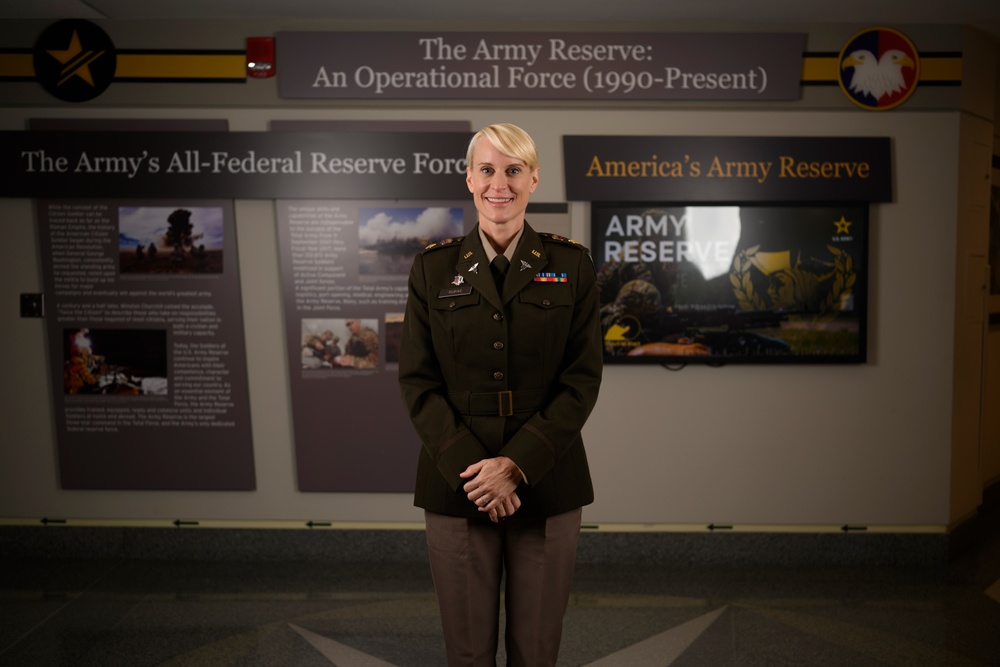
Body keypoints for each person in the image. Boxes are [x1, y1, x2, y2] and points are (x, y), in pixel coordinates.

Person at [398, 123, 603, 666]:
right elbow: (418, 382)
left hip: (546, 477)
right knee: (466, 651)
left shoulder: (571, 264)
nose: (499, 184)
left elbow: (581, 381)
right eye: (487, 169)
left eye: (513, 170)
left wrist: (516, 464)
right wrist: (478, 470)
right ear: (469, 178)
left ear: (534, 178)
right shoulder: (432, 267)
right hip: (457, 483)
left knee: (537, 650)